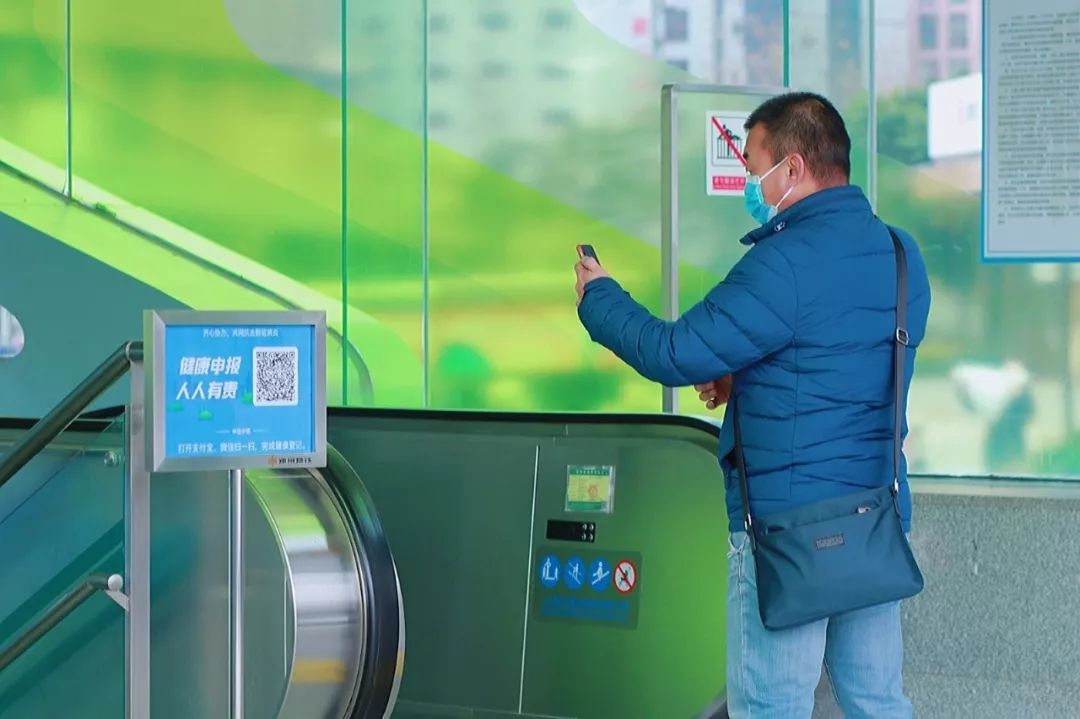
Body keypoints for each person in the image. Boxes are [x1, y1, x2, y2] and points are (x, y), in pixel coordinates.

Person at [574, 92, 931, 718]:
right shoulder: (902, 256)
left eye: (754, 167)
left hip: (789, 536)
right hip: (875, 519)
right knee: (877, 703)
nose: (750, 183)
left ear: (793, 168)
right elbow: (842, 363)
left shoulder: (782, 263)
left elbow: (674, 352)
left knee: (772, 707)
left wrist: (600, 297)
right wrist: (745, 378)